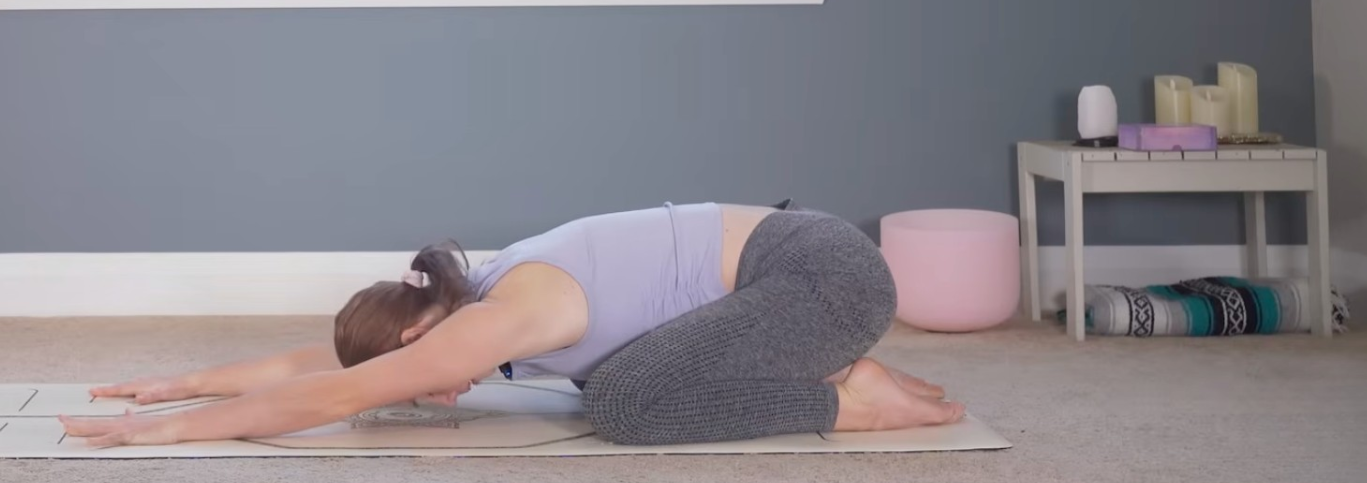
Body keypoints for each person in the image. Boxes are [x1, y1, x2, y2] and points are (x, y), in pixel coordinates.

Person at [63, 201, 966, 448]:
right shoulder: (476, 301)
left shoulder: (501, 315)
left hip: (825, 279)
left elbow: (333, 394)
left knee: (628, 407)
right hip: (800, 274)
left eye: (417, 383)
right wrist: (181, 381)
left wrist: (166, 433)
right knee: (609, 390)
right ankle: (843, 385)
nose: (432, 398)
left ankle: (856, 403)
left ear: (420, 338)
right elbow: (319, 363)